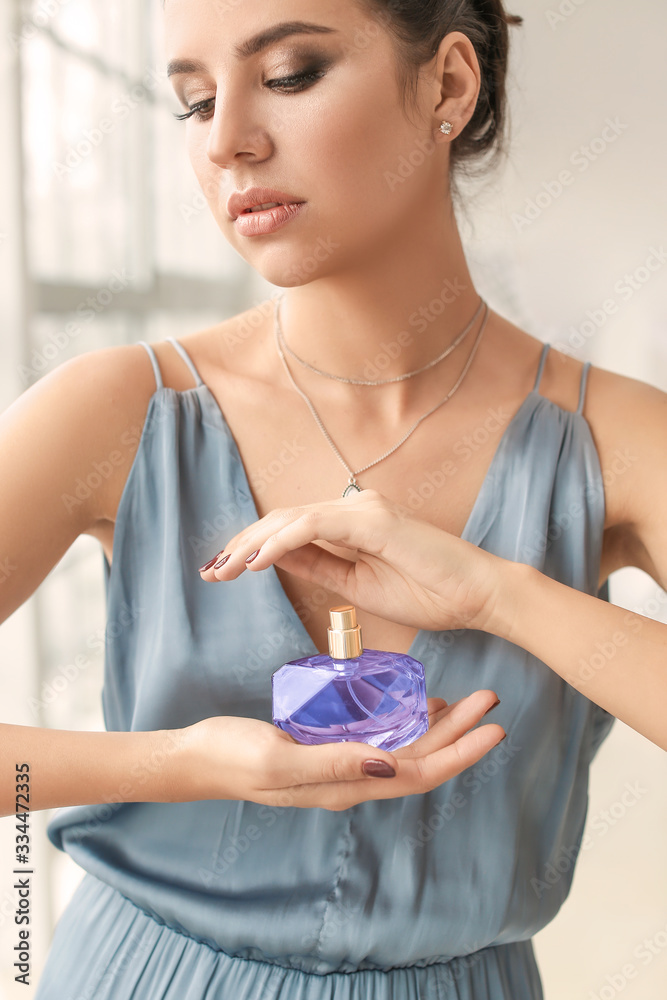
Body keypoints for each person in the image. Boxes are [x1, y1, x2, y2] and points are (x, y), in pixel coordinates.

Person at [1, 0, 665, 997]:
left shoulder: (614, 436)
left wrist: (497, 594)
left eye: (291, 74)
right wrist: (183, 762)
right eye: (191, 101)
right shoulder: (116, 412)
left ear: (444, 84)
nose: (227, 141)